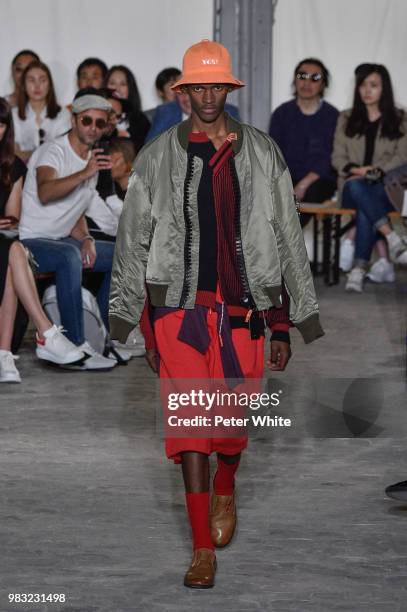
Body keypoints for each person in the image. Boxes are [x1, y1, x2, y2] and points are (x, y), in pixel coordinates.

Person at [109, 40, 323, 588]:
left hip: (244, 314)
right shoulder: (157, 157)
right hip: (179, 314)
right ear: (183, 92)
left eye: (216, 86)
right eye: (196, 86)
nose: (206, 95)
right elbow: (134, 238)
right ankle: (202, 548)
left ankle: (227, 482)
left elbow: (284, 235)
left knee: (229, 428)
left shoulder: (261, 151)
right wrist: (128, 316)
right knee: (191, 429)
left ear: (229, 89)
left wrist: (289, 319)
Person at [18, 90, 122, 370]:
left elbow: (75, 209)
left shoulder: (91, 158)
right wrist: (85, 173)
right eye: (87, 120)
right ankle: (77, 346)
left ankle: (97, 335)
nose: (93, 128)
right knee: (68, 257)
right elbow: (46, 192)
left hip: (64, 240)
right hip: (32, 242)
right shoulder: (54, 151)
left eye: (100, 123)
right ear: (75, 120)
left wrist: (87, 237)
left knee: (122, 257)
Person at [0, 97, 85, 382]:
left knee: (14, 250)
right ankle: (45, 334)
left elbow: (13, 218)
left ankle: (5, 355)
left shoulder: (12, 167)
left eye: (1, 125)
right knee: (15, 251)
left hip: (4, 242)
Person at [331, 63, 407, 292]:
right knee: (357, 187)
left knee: (367, 207)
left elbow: (402, 156)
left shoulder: (400, 118)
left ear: (384, 89)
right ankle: (393, 238)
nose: (367, 90)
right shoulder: (345, 118)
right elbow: (336, 158)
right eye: (363, 85)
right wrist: (359, 170)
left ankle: (358, 269)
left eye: (373, 85)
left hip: (384, 187)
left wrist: (376, 170)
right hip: (351, 188)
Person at [269, 58, 338, 227]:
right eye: (302, 76)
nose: (307, 82)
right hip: (286, 177)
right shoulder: (282, 113)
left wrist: (303, 185)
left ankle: (285, 244)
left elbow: (329, 157)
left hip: (319, 179)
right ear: (295, 80)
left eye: (314, 78)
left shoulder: (333, 116)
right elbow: (273, 154)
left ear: (323, 84)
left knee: (312, 193)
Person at [12, 61, 71, 161]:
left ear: (50, 85)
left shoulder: (63, 113)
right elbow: (12, 153)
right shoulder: (13, 114)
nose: (37, 85)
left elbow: (64, 151)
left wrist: (27, 154)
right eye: (31, 80)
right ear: (23, 85)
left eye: (42, 80)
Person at [145, 87, 240, 143]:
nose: (186, 99)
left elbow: (239, 151)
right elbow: (149, 150)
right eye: (181, 93)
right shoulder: (165, 112)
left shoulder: (228, 112)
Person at [105, 65, 150, 153]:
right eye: (112, 83)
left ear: (130, 88)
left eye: (123, 84)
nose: (116, 89)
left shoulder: (141, 120)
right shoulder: (98, 116)